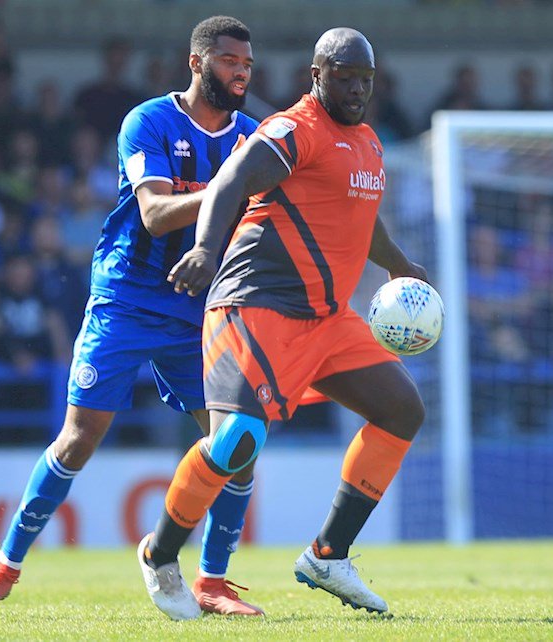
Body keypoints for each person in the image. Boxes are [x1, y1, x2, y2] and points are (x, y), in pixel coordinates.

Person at [0, 16, 262, 618]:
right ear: (197, 62)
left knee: (236, 444)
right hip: (126, 296)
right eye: (230, 62)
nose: (241, 74)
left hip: (197, 307)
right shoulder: (148, 121)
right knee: (78, 439)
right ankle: (2, 570)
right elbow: (152, 214)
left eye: (248, 66)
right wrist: (231, 183)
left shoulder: (252, 136)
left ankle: (213, 582)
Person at [138, 27, 428, 620]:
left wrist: (399, 265)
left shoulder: (370, 143)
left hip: (326, 320)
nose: (355, 88)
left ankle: (328, 555)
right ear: (316, 75)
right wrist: (201, 247)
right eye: (343, 77)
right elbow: (231, 179)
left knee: (403, 410)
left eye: (364, 79)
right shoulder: (294, 131)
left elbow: (359, 215)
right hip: (255, 306)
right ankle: (160, 552)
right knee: (237, 443)